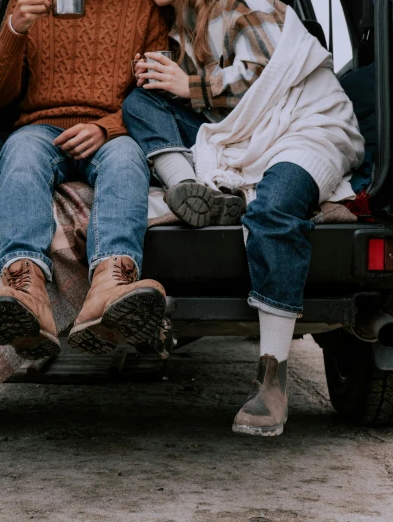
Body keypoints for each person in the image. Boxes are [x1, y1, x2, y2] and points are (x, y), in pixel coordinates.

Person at [122, 0, 364, 436]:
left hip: (304, 123)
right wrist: (163, 78)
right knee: (140, 103)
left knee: (273, 211)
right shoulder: (180, 24)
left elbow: (267, 75)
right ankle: (188, 187)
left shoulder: (244, 3)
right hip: (244, 131)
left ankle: (272, 377)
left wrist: (189, 85)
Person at [0, 0, 171, 359]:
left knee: (128, 159)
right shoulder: (25, 4)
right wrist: (15, 29)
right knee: (19, 152)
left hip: (110, 129)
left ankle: (111, 285)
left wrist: (107, 127)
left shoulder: (145, 8)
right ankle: (27, 288)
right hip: (40, 128)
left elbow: (157, 94)